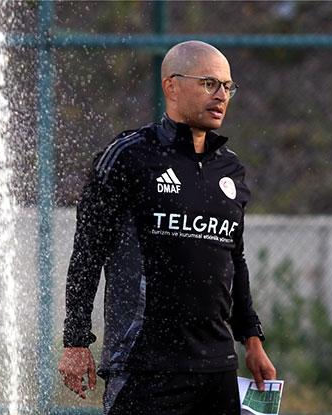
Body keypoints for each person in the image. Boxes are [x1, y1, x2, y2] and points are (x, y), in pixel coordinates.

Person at [58, 40, 276, 415]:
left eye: (227, 86)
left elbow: (234, 261)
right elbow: (87, 254)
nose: (221, 95)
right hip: (144, 368)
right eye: (209, 83)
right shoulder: (128, 156)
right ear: (171, 86)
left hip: (217, 369)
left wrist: (252, 339)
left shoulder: (231, 169)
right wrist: (76, 341)